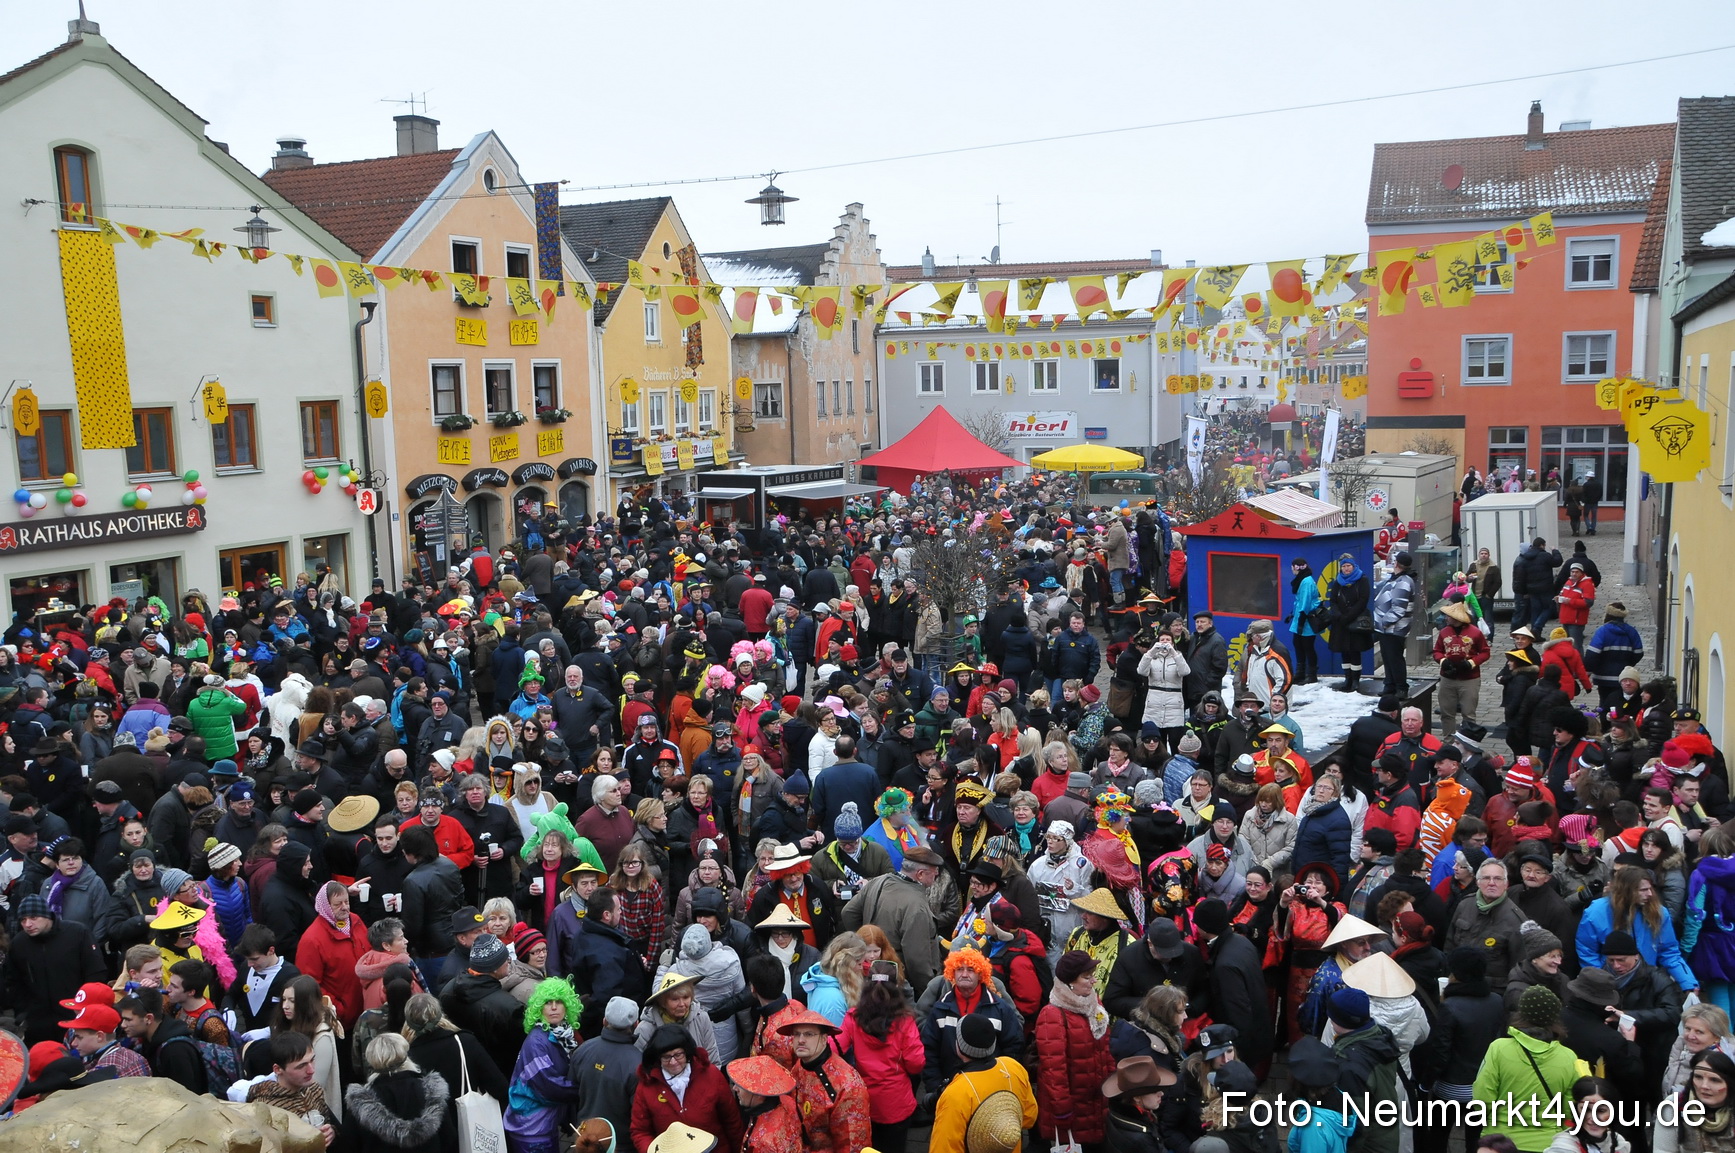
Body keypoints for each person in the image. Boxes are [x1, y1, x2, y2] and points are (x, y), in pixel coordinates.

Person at [1473, 986, 1580, 1152]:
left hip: (1501, 1142)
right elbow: (1570, 1107)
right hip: (1548, 1143)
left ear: (1520, 1013)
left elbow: (1482, 1095)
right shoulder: (1569, 1057)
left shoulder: (1499, 1048)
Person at [837, 959, 924, 1153]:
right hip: (896, 1104)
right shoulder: (905, 1021)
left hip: (864, 1102)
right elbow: (916, 1063)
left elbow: (835, 1049)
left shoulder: (853, 1018)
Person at [1036, 950, 1117, 1149]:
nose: (1093, 981)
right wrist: (1062, 1110)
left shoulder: (1094, 1004)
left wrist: (1113, 1084)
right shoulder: (1052, 1015)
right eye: (1087, 977)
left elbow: (1106, 1048)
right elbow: (1054, 1069)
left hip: (1097, 1103)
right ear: (1070, 982)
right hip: (1072, 1109)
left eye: (1092, 976)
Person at [929, 1013, 1038, 1153]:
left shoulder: (956, 1093)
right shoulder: (1012, 1067)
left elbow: (943, 1148)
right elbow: (1029, 1117)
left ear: (959, 1047)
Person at [504, 977, 587, 1153]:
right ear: (539, 1007)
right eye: (548, 1002)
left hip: (543, 1123)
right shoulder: (537, 1042)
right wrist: (584, 1088)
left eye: (559, 1002)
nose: (554, 1007)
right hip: (531, 1127)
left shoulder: (561, 1034)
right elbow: (549, 1086)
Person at [630, 1024, 743, 1153]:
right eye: (666, 1057)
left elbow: (732, 1121)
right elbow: (640, 1131)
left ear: (687, 1052)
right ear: (657, 1058)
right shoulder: (646, 1086)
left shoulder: (711, 1075)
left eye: (678, 1055)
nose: (673, 1062)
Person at [344, 1031, 456, 1152]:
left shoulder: (360, 1103)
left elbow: (348, 1145)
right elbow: (449, 1140)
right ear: (405, 1055)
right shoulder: (432, 1093)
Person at [1327, 554, 1373, 693]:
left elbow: (1363, 600)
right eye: (1344, 567)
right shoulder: (1337, 582)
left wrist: (1349, 615)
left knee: (1355, 651)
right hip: (1340, 622)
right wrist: (1339, 615)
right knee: (1344, 651)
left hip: (1355, 621)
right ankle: (1347, 678)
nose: (1346, 569)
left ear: (1354, 566)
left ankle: (1355, 680)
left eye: (1348, 566)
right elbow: (1333, 600)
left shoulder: (1362, 580)